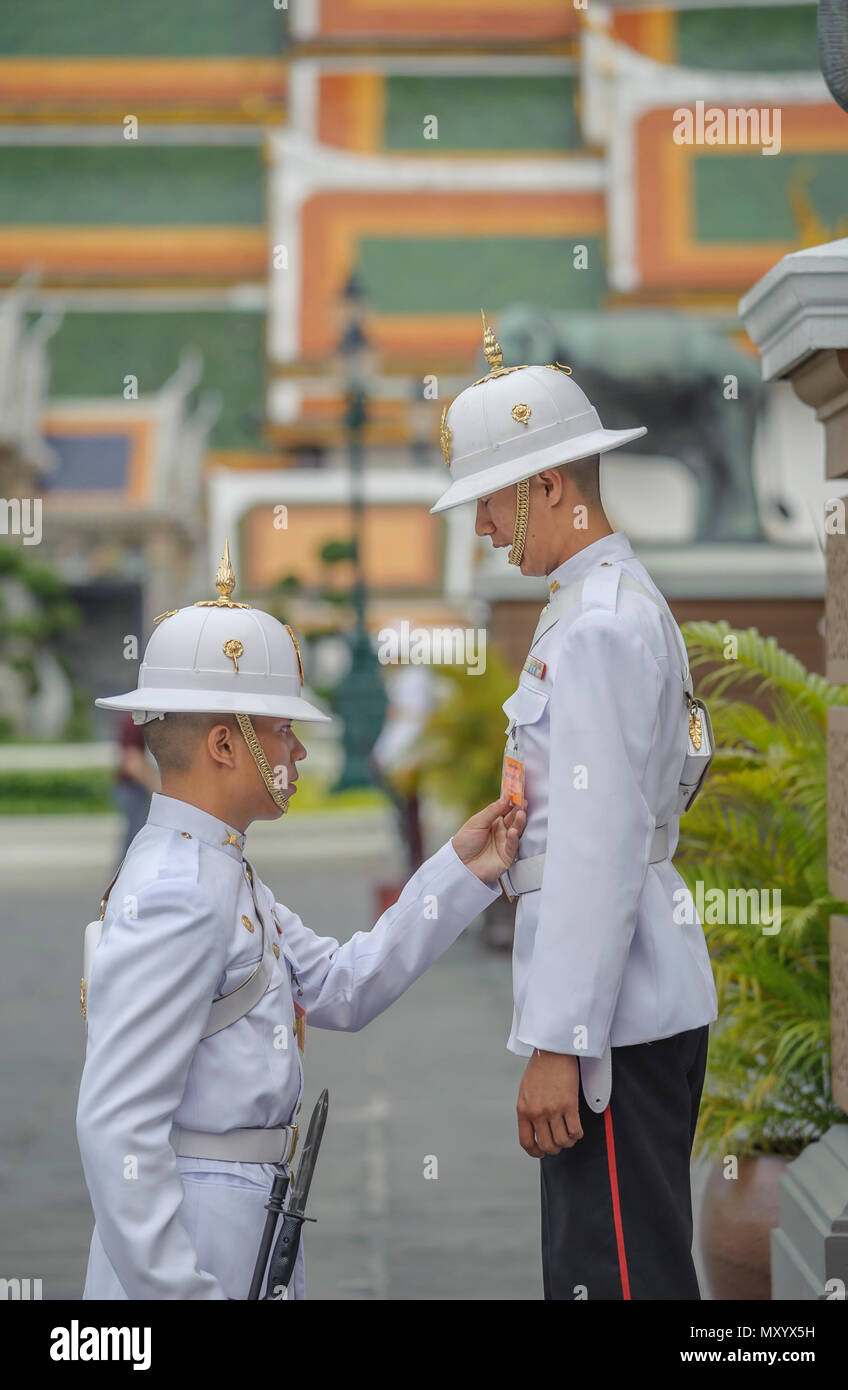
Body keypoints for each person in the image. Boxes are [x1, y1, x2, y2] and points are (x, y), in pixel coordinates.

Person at [76, 542, 524, 1300]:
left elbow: (345, 986)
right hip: (190, 1227)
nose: (299, 749)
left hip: (244, 1207)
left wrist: (462, 870)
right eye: (281, 731)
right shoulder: (180, 890)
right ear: (225, 744)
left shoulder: (220, 870)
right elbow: (117, 1125)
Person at [429, 313, 719, 1300]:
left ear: (550, 484)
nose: (477, 526)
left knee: (616, 1278)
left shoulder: (595, 625)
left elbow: (594, 849)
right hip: (634, 992)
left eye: (488, 500)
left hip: (613, 1016)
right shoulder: (600, 601)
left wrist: (558, 1045)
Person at [114, 712, 160, 855]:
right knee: (137, 840)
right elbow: (132, 760)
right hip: (137, 789)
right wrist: (158, 789)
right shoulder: (137, 718)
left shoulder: (139, 716)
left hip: (138, 787)